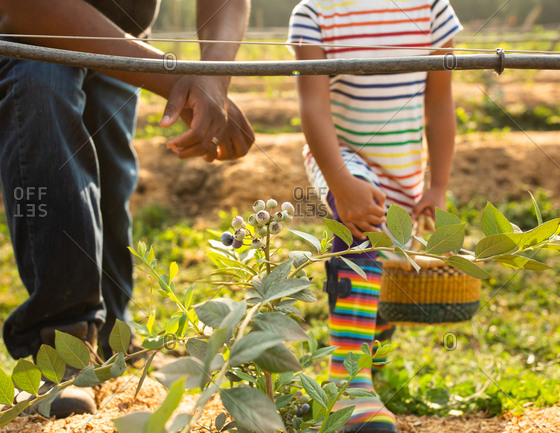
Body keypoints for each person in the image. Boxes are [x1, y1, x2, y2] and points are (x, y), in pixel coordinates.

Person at [0, 0, 253, 417]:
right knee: (45, 106)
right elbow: (27, 7)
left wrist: (214, 73)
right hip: (35, 32)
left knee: (109, 183)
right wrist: (178, 79)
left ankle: (116, 337)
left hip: (124, 35)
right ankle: (63, 345)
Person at [288, 1, 462, 431]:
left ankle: (366, 361)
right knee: (360, 234)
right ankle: (349, 385)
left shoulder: (433, 9)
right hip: (341, 158)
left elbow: (439, 102)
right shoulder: (314, 13)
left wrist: (436, 185)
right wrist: (342, 180)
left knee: (379, 271)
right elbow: (314, 107)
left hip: (402, 165)